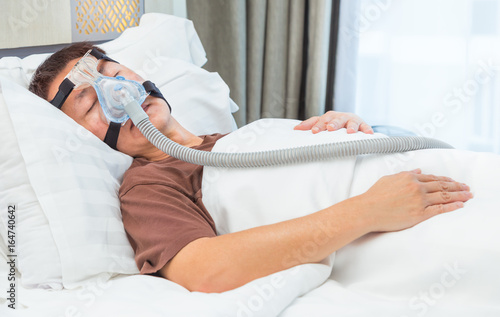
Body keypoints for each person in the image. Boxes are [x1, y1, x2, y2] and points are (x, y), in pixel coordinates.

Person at [29, 42, 473, 293]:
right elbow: (203, 269)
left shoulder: (236, 141)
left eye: (112, 72)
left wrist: (350, 132)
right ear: (82, 137)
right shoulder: (147, 187)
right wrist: (367, 210)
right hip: (413, 225)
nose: (117, 93)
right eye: (90, 103)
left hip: (438, 172)